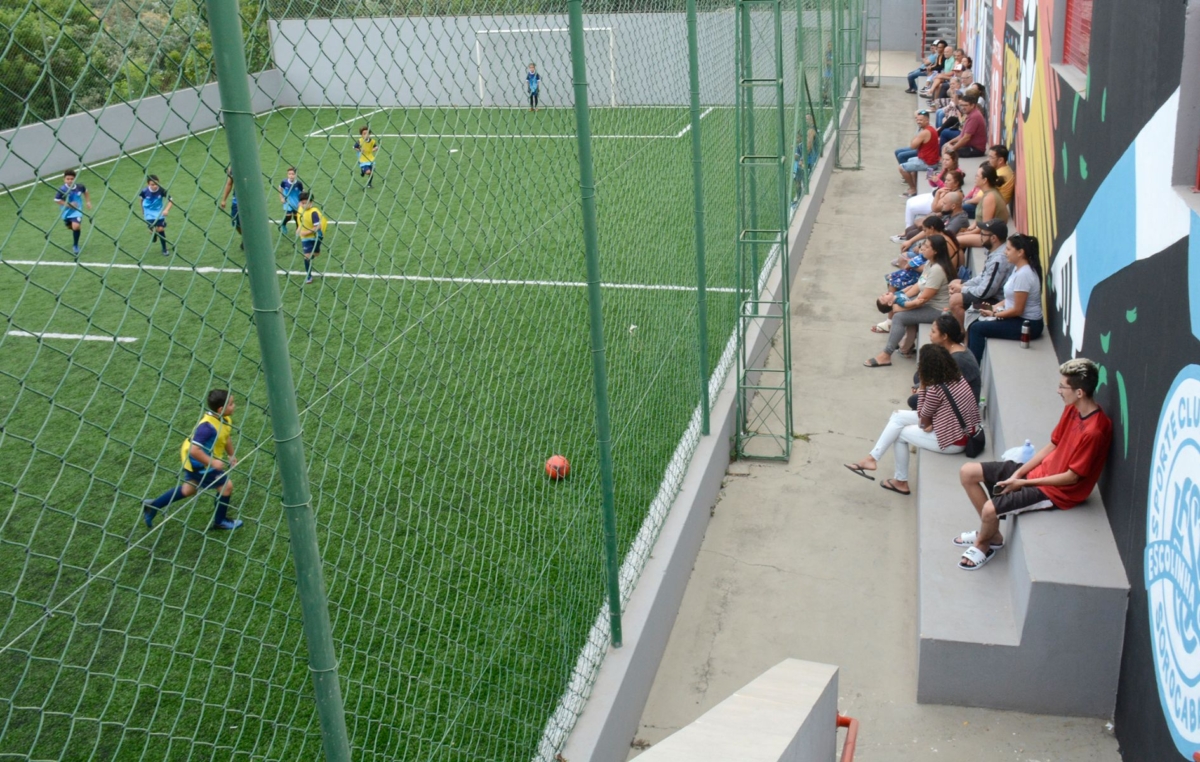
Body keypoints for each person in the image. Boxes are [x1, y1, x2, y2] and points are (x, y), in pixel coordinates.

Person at [955, 358, 1112, 570]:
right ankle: (991, 533)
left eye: (1062, 386)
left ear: (1080, 393)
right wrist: (1018, 473)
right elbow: (1052, 445)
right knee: (968, 472)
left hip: (1056, 491)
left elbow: (1071, 477)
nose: (1058, 390)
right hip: (1039, 473)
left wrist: (1023, 484)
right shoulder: (1073, 408)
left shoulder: (1095, 431)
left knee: (990, 510)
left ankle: (984, 543)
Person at [845, 344, 979, 495]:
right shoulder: (957, 378)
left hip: (953, 441)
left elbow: (922, 421)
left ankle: (900, 482)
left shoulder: (936, 389)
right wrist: (929, 423)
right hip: (955, 428)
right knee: (897, 415)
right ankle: (871, 458)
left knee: (900, 434)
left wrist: (922, 387)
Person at [141, 389, 244, 531]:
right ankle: (220, 521)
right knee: (226, 487)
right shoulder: (207, 427)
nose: (235, 406)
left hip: (198, 459)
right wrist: (212, 462)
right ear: (221, 409)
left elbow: (226, 436)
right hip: (198, 462)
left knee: (189, 489)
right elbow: (194, 450)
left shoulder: (224, 419)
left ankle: (153, 506)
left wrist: (231, 455)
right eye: (232, 404)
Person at [866, 234, 956, 367]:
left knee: (899, 317)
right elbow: (917, 286)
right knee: (900, 308)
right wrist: (898, 295)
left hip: (938, 310)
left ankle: (886, 355)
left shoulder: (937, 270)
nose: (922, 249)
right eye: (923, 245)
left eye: (926, 247)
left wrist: (900, 308)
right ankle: (903, 347)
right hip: (928, 303)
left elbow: (923, 299)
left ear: (936, 251)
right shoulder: (930, 263)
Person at [967, 233, 1044, 360]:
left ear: (1020, 252)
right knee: (974, 313)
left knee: (977, 329)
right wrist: (993, 307)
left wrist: (994, 315)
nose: (1004, 252)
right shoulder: (1017, 268)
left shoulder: (1024, 275)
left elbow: (1018, 310)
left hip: (1028, 324)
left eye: (1008, 249)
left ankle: (972, 370)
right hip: (1016, 317)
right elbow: (1010, 299)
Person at [906, 313, 981, 409]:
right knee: (918, 376)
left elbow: (943, 387)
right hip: (950, 390)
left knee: (914, 400)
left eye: (933, 332)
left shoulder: (958, 360)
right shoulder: (952, 347)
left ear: (944, 336)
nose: (929, 334)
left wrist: (922, 389)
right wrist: (919, 386)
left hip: (961, 405)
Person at [949, 220, 1012, 325]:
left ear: (993, 238)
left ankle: (964, 336)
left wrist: (962, 289)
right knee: (955, 282)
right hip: (989, 295)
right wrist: (963, 284)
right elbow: (983, 277)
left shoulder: (999, 259)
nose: (980, 236)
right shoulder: (994, 251)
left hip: (994, 303)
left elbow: (985, 292)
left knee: (955, 300)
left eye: (983, 234)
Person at [954, 164, 1010, 249]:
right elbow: (981, 217)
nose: (975, 178)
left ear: (984, 180)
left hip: (990, 238)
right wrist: (971, 227)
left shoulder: (989, 197)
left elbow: (985, 226)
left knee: (955, 240)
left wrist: (966, 233)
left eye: (977, 176)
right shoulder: (987, 193)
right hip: (985, 232)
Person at [895, 110, 941, 197]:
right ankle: (915, 184)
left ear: (927, 121)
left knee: (901, 168)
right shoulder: (931, 129)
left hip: (928, 163)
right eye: (918, 120)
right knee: (909, 159)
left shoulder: (924, 132)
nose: (918, 122)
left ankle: (913, 189)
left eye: (921, 120)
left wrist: (917, 136)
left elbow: (912, 146)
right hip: (929, 159)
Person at [54, 169, 91, 256]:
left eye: (72, 179)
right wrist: (68, 205)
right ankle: (69, 224)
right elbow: (56, 200)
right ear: (64, 179)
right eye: (68, 179)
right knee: (70, 226)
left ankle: (75, 245)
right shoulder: (62, 189)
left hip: (77, 211)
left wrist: (88, 202)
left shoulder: (80, 187)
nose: (70, 180)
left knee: (76, 226)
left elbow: (86, 192)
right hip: (66, 211)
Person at [941, 92, 987, 157]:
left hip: (976, 149)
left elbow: (966, 138)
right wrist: (949, 143)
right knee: (946, 147)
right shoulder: (971, 114)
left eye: (965, 105)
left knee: (948, 152)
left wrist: (953, 148)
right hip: (970, 146)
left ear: (972, 105)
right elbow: (961, 135)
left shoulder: (974, 117)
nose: (963, 107)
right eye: (961, 105)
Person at [137, 175, 173, 257]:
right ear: (148, 184)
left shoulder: (162, 190)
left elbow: (171, 200)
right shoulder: (144, 191)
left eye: (156, 184)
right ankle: (154, 233)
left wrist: (166, 210)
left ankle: (164, 249)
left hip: (159, 213)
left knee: (160, 229)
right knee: (153, 229)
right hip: (148, 213)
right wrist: (142, 210)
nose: (154, 186)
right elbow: (141, 200)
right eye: (152, 184)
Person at [297, 191, 326, 285]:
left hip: (316, 237)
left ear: (311, 202)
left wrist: (306, 232)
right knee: (306, 256)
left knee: (316, 253)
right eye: (303, 203)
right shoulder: (299, 210)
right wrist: (298, 229)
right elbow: (300, 221)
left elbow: (318, 227)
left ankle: (313, 254)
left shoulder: (313, 212)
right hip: (305, 239)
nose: (304, 205)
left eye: (307, 203)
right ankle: (309, 276)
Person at [218, 165, 242, 248]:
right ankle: (246, 238)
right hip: (237, 200)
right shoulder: (232, 168)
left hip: (251, 199)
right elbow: (229, 183)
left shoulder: (251, 166)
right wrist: (224, 199)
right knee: (235, 221)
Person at [278, 167, 303, 234]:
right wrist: (281, 198)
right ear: (287, 175)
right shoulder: (284, 182)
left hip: (296, 203)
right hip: (287, 202)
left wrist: (301, 202)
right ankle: (283, 224)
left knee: (296, 217)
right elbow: (280, 189)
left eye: (293, 174)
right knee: (288, 216)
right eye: (289, 174)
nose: (291, 176)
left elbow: (302, 192)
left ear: (296, 175)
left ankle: (298, 230)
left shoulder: (299, 184)